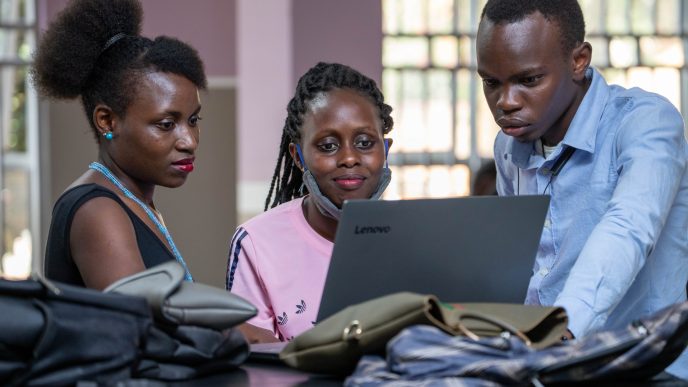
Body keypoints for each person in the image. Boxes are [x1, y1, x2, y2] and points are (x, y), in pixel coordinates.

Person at [476, 0, 687, 379]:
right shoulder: (508, 148)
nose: (505, 102)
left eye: (528, 80)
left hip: (645, 368)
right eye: (491, 82)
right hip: (548, 366)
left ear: (578, 60)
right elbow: (526, 267)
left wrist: (558, 336)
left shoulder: (644, 123)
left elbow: (627, 229)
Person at [35, 0, 207, 290]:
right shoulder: (96, 209)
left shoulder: (135, 201)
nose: (189, 141)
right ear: (107, 121)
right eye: (166, 124)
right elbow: (143, 327)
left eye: (193, 120)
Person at [226, 62, 394, 343]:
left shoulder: (415, 237)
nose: (349, 158)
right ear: (298, 156)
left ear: (386, 150)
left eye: (365, 143)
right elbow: (254, 364)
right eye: (328, 146)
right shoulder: (257, 243)